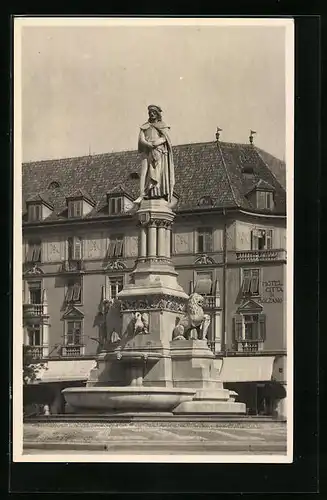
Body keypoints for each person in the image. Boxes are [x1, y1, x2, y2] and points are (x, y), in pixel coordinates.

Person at [134, 105, 175, 204]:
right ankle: (142, 194)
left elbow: (166, 138)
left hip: (158, 150)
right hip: (147, 150)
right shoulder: (144, 126)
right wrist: (148, 144)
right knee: (144, 172)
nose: (151, 114)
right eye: (150, 112)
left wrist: (156, 143)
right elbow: (141, 139)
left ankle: (155, 192)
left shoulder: (162, 125)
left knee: (157, 172)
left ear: (157, 114)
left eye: (153, 112)